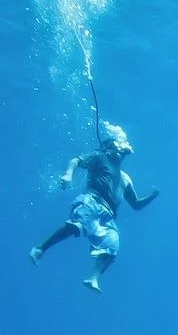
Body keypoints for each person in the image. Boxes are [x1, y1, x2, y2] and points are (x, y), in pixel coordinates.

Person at [29, 122, 158, 292]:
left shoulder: (125, 178)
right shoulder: (99, 157)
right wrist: (68, 175)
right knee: (78, 225)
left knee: (112, 245)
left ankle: (93, 278)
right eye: (115, 147)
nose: (120, 152)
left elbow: (136, 204)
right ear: (108, 149)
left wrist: (152, 196)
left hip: (109, 216)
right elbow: (76, 160)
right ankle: (40, 248)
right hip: (92, 200)